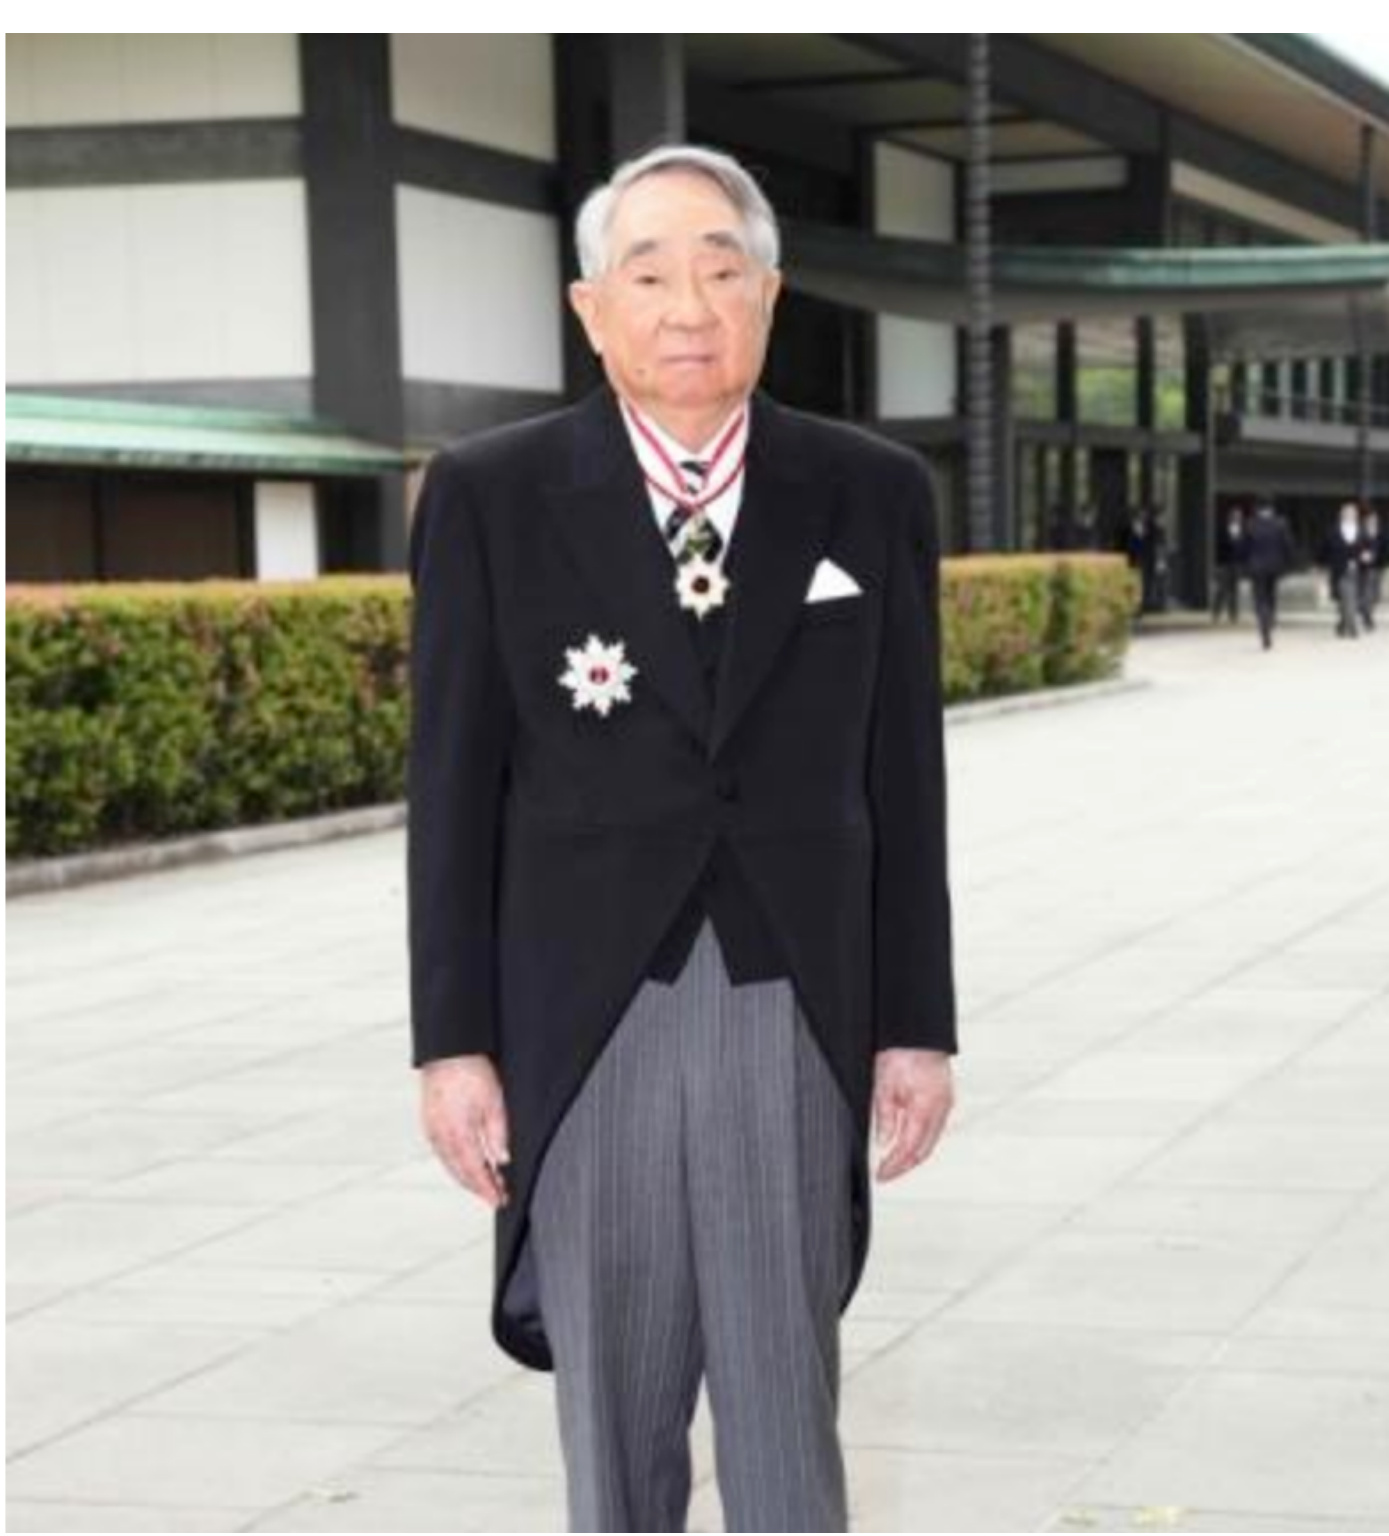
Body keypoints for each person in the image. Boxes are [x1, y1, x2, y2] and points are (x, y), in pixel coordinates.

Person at [405, 142, 957, 1534]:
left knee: (786, 1412)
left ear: (770, 295)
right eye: (647, 276)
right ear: (592, 310)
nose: (688, 307)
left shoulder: (870, 492)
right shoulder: (488, 494)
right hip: (587, 1009)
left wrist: (916, 1024)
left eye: (721, 270)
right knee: (614, 1417)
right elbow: (452, 785)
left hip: (791, 999)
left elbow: (904, 779)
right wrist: (452, 1044)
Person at [1244, 497, 1295, 650]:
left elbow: (1244, 548)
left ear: (1258, 508)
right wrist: (1289, 563)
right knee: (1271, 593)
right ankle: (1270, 617)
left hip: (1256, 567)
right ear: (1271, 509)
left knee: (1260, 598)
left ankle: (1264, 622)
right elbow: (1288, 545)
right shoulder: (1281, 523)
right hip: (1274, 566)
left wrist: (1245, 565)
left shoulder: (1251, 524)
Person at [1322, 500, 1363, 639]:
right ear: (1342, 515)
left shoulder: (1361, 531)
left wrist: (1367, 556)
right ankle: (1348, 625)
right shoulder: (1333, 531)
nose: (1350, 516)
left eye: (1353, 513)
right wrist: (1322, 564)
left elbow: (1367, 546)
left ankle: (1346, 624)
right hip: (1339, 569)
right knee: (1344, 598)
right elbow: (1325, 548)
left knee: (1351, 597)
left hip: (1357, 569)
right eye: (1347, 513)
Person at [1212, 504, 1246, 623]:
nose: (1238, 518)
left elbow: (1243, 547)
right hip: (1224, 563)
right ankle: (1216, 613)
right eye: (1236, 516)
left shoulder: (1243, 530)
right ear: (1231, 517)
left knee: (1234, 591)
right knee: (1221, 590)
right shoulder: (1222, 529)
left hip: (1236, 564)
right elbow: (1218, 546)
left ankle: (1233, 615)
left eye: (1240, 516)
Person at [1357, 505, 1384, 631]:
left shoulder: (1380, 532)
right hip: (1366, 567)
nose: (1373, 521)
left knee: (1376, 594)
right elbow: (1357, 547)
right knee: (1367, 592)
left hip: (1378, 566)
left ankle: (1364, 610)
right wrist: (1362, 555)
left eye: (1375, 519)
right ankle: (1367, 618)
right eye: (1371, 519)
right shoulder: (1360, 532)